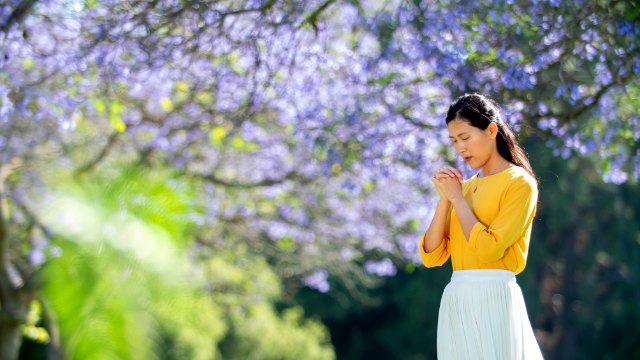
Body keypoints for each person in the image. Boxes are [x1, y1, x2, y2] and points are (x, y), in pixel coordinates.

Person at [420, 93, 544, 359]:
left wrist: (456, 198)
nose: (460, 148)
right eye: (454, 141)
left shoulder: (519, 183)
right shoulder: (463, 189)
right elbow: (431, 255)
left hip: (495, 297)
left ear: (491, 130)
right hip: (457, 298)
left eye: (465, 138)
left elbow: (489, 250)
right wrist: (446, 200)